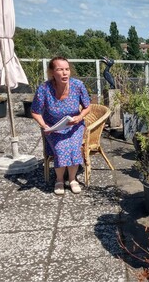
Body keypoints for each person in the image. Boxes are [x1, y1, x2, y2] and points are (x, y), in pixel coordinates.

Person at [31, 56, 91, 195]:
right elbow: (35, 111)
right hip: (54, 127)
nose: (65, 73)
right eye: (60, 69)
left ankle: (72, 179)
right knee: (61, 148)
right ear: (52, 73)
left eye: (67, 69)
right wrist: (44, 125)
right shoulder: (44, 89)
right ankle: (59, 180)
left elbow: (88, 107)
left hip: (74, 126)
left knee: (74, 147)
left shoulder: (78, 85)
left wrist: (80, 117)